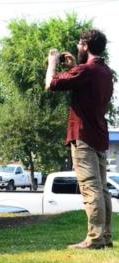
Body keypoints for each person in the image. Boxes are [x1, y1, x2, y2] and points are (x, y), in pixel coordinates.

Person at [45, 29, 114, 249]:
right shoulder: (105, 72)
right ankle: (106, 237)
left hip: (83, 135)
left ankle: (94, 239)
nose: (77, 47)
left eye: (79, 44)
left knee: (90, 187)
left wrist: (52, 63)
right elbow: (82, 82)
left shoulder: (86, 70)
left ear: (85, 45)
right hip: (100, 135)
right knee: (102, 189)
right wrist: (74, 65)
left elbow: (51, 84)